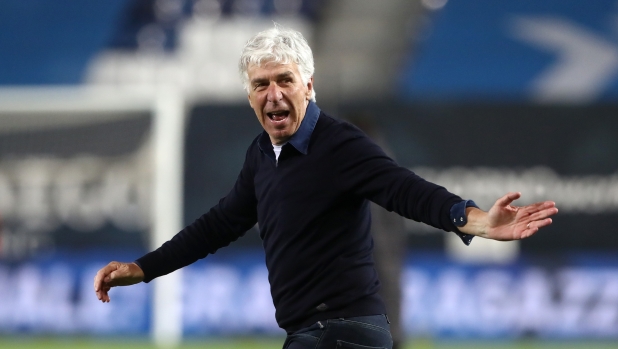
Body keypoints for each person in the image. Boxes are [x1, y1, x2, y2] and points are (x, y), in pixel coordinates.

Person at [94, 24, 558, 349]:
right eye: (260, 85)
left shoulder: (339, 143)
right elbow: (219, 224)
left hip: (342, 331)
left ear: (308, 86)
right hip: (314, 332)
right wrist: (144, 268)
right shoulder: (261, 153)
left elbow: (405, 189)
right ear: (250, 95)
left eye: (284, 81)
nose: (273, 94)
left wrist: (473, 219)